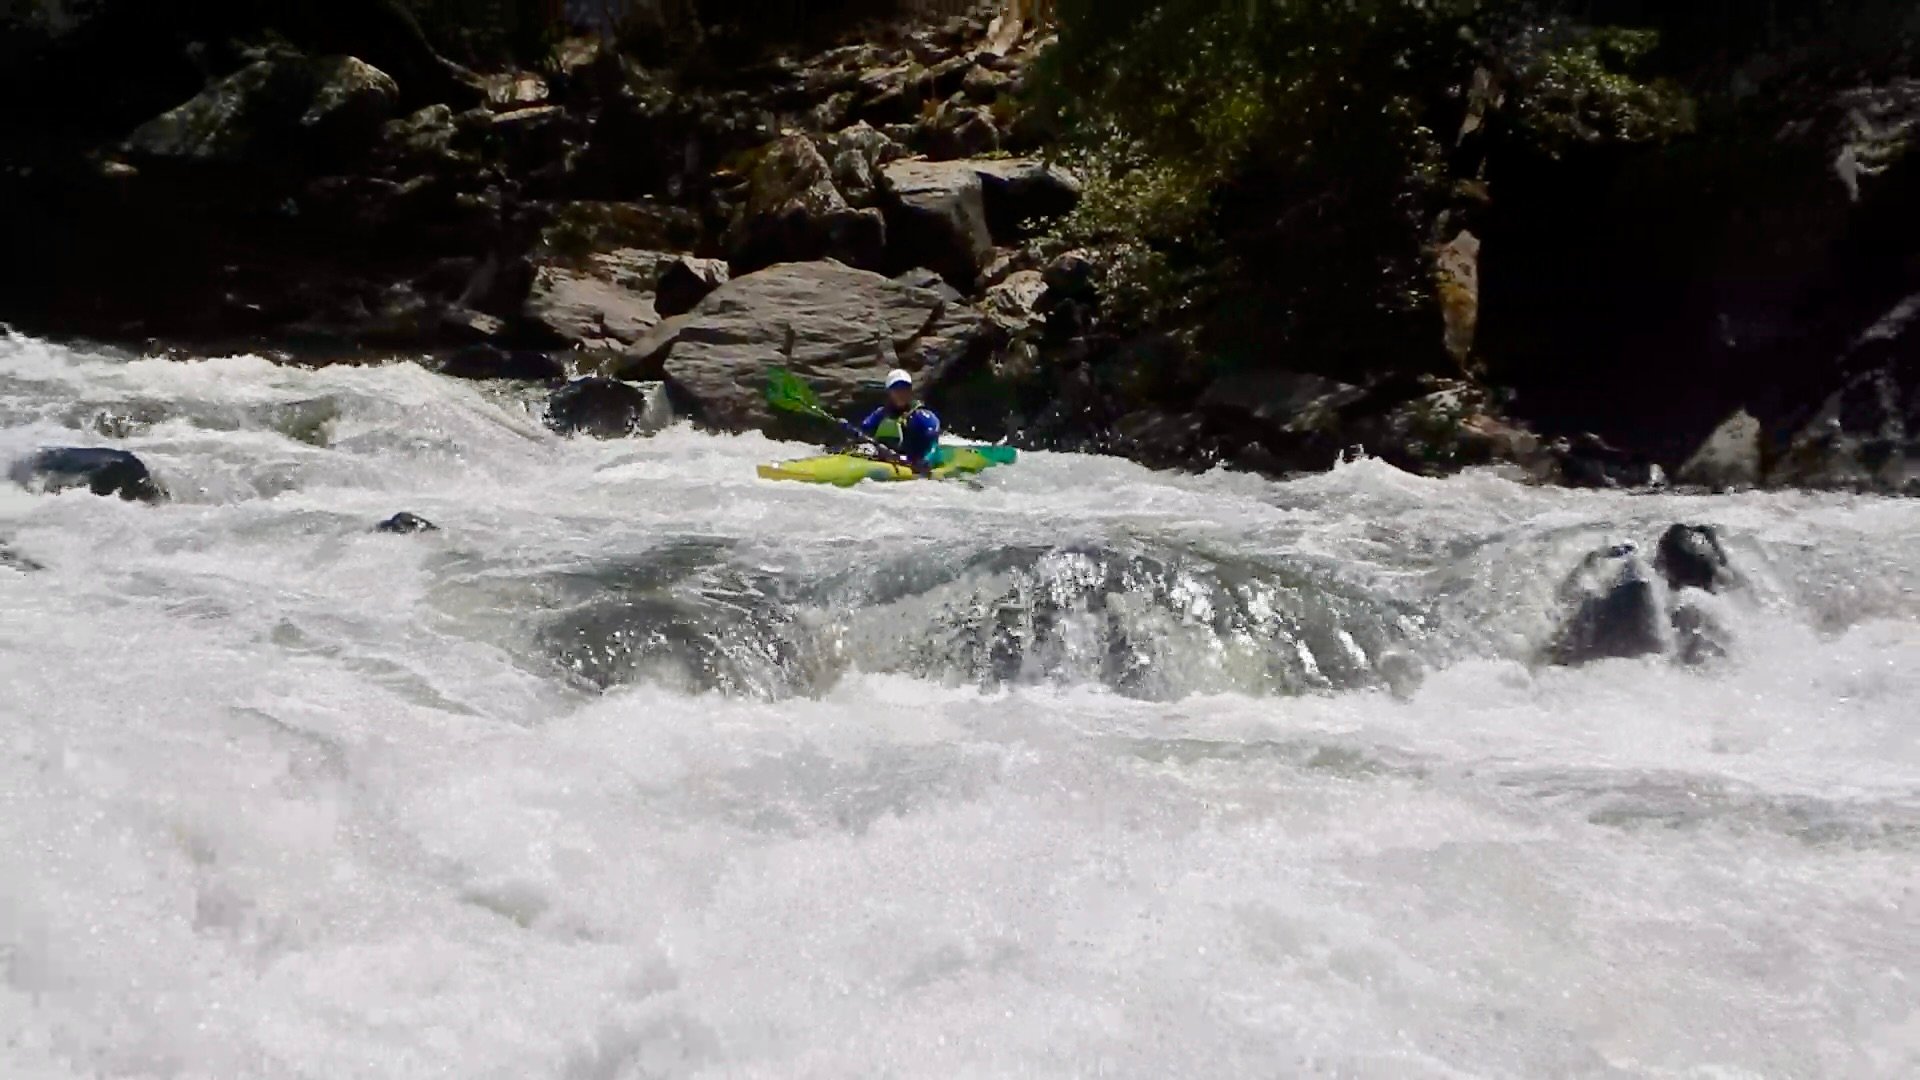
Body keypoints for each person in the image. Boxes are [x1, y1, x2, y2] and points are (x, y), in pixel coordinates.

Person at [858, 369, 941, 473]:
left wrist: (926, 460)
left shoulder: (923, 416)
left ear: (910, 391)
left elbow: (933, 444)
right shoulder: (881, 414)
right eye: (896, 389)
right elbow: (863, 433)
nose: (901, 393)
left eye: (905, 389)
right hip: (887, 460)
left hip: (914, 463)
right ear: (889, 392)